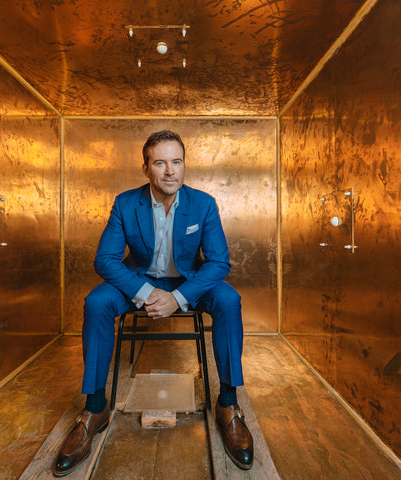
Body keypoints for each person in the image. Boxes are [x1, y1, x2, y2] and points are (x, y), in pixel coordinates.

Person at [53, 130, 253, 476]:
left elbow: (219, 262)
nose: (170, 171)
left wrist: (177, 298)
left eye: (177, 162)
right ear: (146, 168)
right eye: (160, 163)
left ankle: (229, 404)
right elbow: (105, 260)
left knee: (229, 299)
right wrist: (146, 293)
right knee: (96, 301)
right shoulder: (126, 203)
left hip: (188, 283)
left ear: (184, 165)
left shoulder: (203, 203)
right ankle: (95, 408)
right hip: (139, 281)